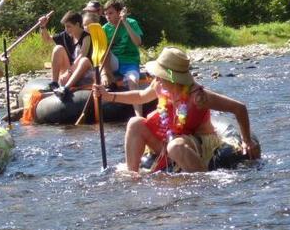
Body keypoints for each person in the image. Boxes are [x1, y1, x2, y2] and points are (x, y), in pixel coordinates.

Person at [93, 47, 260, 173]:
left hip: (194, 142)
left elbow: (239, 108)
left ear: (172, 77)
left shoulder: (198, 96)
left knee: (175, 146)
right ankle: (133, 174)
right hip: (165, 137)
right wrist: (109, 96)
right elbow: (141, 96)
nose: (155, 78)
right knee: (135, 122)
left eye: (160, 75)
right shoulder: (159, 85)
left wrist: (246, 140)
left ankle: (202, 181)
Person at [104, 0, 145, 116]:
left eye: (111, 13)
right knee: (104, 52)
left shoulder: (132, 23)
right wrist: (105, 73)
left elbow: (138, 42)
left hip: (130, 62)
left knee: (133, 81)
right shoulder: (105, 28)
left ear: (119, 13)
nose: (108, 17)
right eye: (106, 14)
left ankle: (139, 116)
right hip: (114, 62)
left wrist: (125, 22)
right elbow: (102, 53)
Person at [38, 12, 76, 90]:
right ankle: (54, 83)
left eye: (69, 27)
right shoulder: (64, 35)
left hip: (79, 71)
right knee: (58, 48)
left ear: (78, 25)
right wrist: (42, 26)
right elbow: (47, 39)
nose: (66, 30)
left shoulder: (85, 36)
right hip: (68, 70)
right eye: (65, 27)